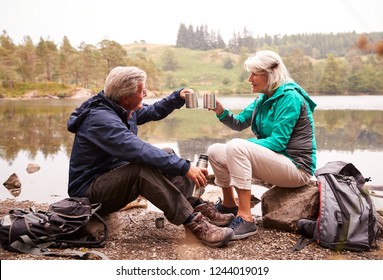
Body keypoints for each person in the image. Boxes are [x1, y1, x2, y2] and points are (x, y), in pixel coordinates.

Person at [66, 66, 234, 247]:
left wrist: (177, 97)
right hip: (89, 193)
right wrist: (185, 167)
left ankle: (194, 205)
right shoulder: (100, 120)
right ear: (126, 97)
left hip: (110, 178)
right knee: (141, 169)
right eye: (142, 91)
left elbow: (152, 111)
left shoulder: (119, 107)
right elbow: (138, 150)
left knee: (167, 153)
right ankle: (194, 223)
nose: (145, 94)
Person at [207, 50, 317, 240]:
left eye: (254, 74)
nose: (249, 79)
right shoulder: (264, 98)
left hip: (297, 168)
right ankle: (228, 205)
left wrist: (241, 148)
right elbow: (239, 122)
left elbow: (277, 142)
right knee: (215, 151)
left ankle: (246, 218)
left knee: (236, 147)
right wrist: (220, 110)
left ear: (270, 75)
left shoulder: (290, 98)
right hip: (277, 162)